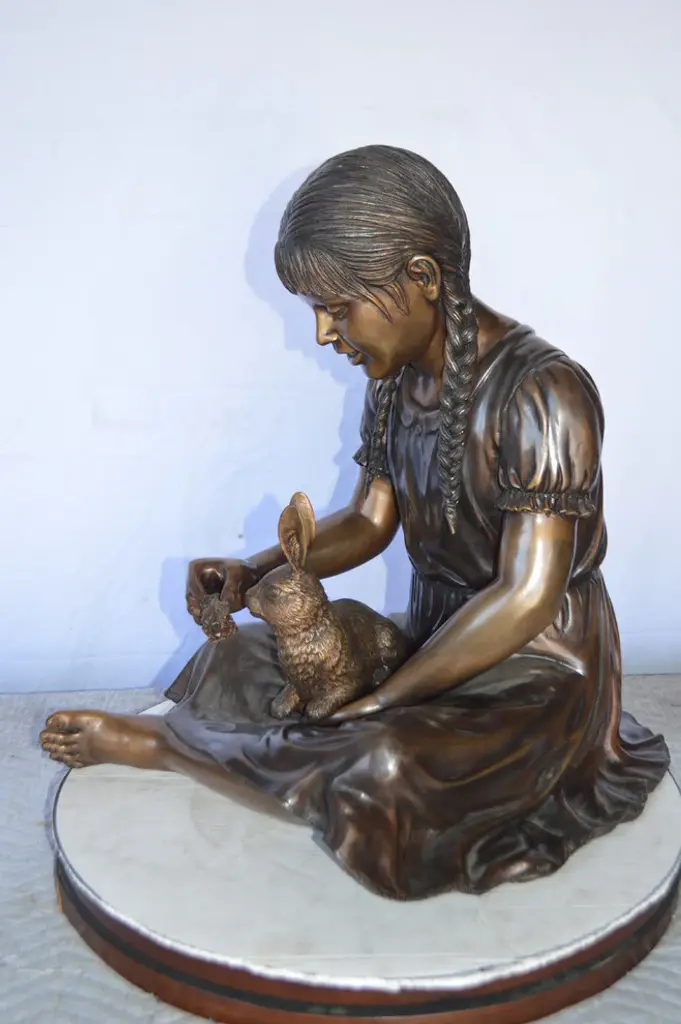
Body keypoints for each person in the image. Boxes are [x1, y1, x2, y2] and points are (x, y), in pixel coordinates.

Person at [41, 145, 669, 900]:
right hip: (431, 640)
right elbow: (369, 523)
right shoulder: (395, 385)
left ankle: (172, 749)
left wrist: (389, 696)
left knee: (385, 762)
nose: (321, 333)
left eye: (338, 308)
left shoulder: (543, 393)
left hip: (535, 670)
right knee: (235, 659)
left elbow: (525, 596)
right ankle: (266, 748)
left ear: (422, 278)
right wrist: (256, 571)